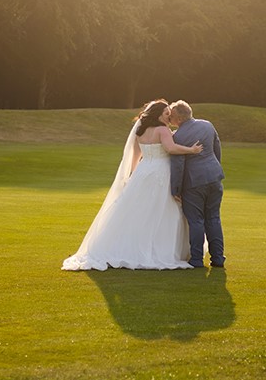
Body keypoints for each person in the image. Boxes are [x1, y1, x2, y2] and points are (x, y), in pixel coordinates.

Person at [62, 100, 203, 271]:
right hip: (161, 173)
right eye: (167, 113)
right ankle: (160, 250)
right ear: (158, 114)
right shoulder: (163, 130)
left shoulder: (140, 130)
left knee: (139, 211)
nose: (169, 116)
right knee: (164, 211)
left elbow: (135, 156)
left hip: (143, 172)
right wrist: (191, 150)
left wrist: (132, 176)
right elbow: (171, 148)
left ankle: (129, 247)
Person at [168, 100, 225, 268]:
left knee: (196, 221)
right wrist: (215, 168)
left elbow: (178, 165)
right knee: (214, 218)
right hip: (214, 177)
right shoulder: (207, 125)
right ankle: (218, 259)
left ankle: (197, 260)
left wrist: (176, 189)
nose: (170, 119)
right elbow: (217, 148)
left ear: (178, 118)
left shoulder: (178, 136)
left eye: (171, 116)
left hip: (194, 183)